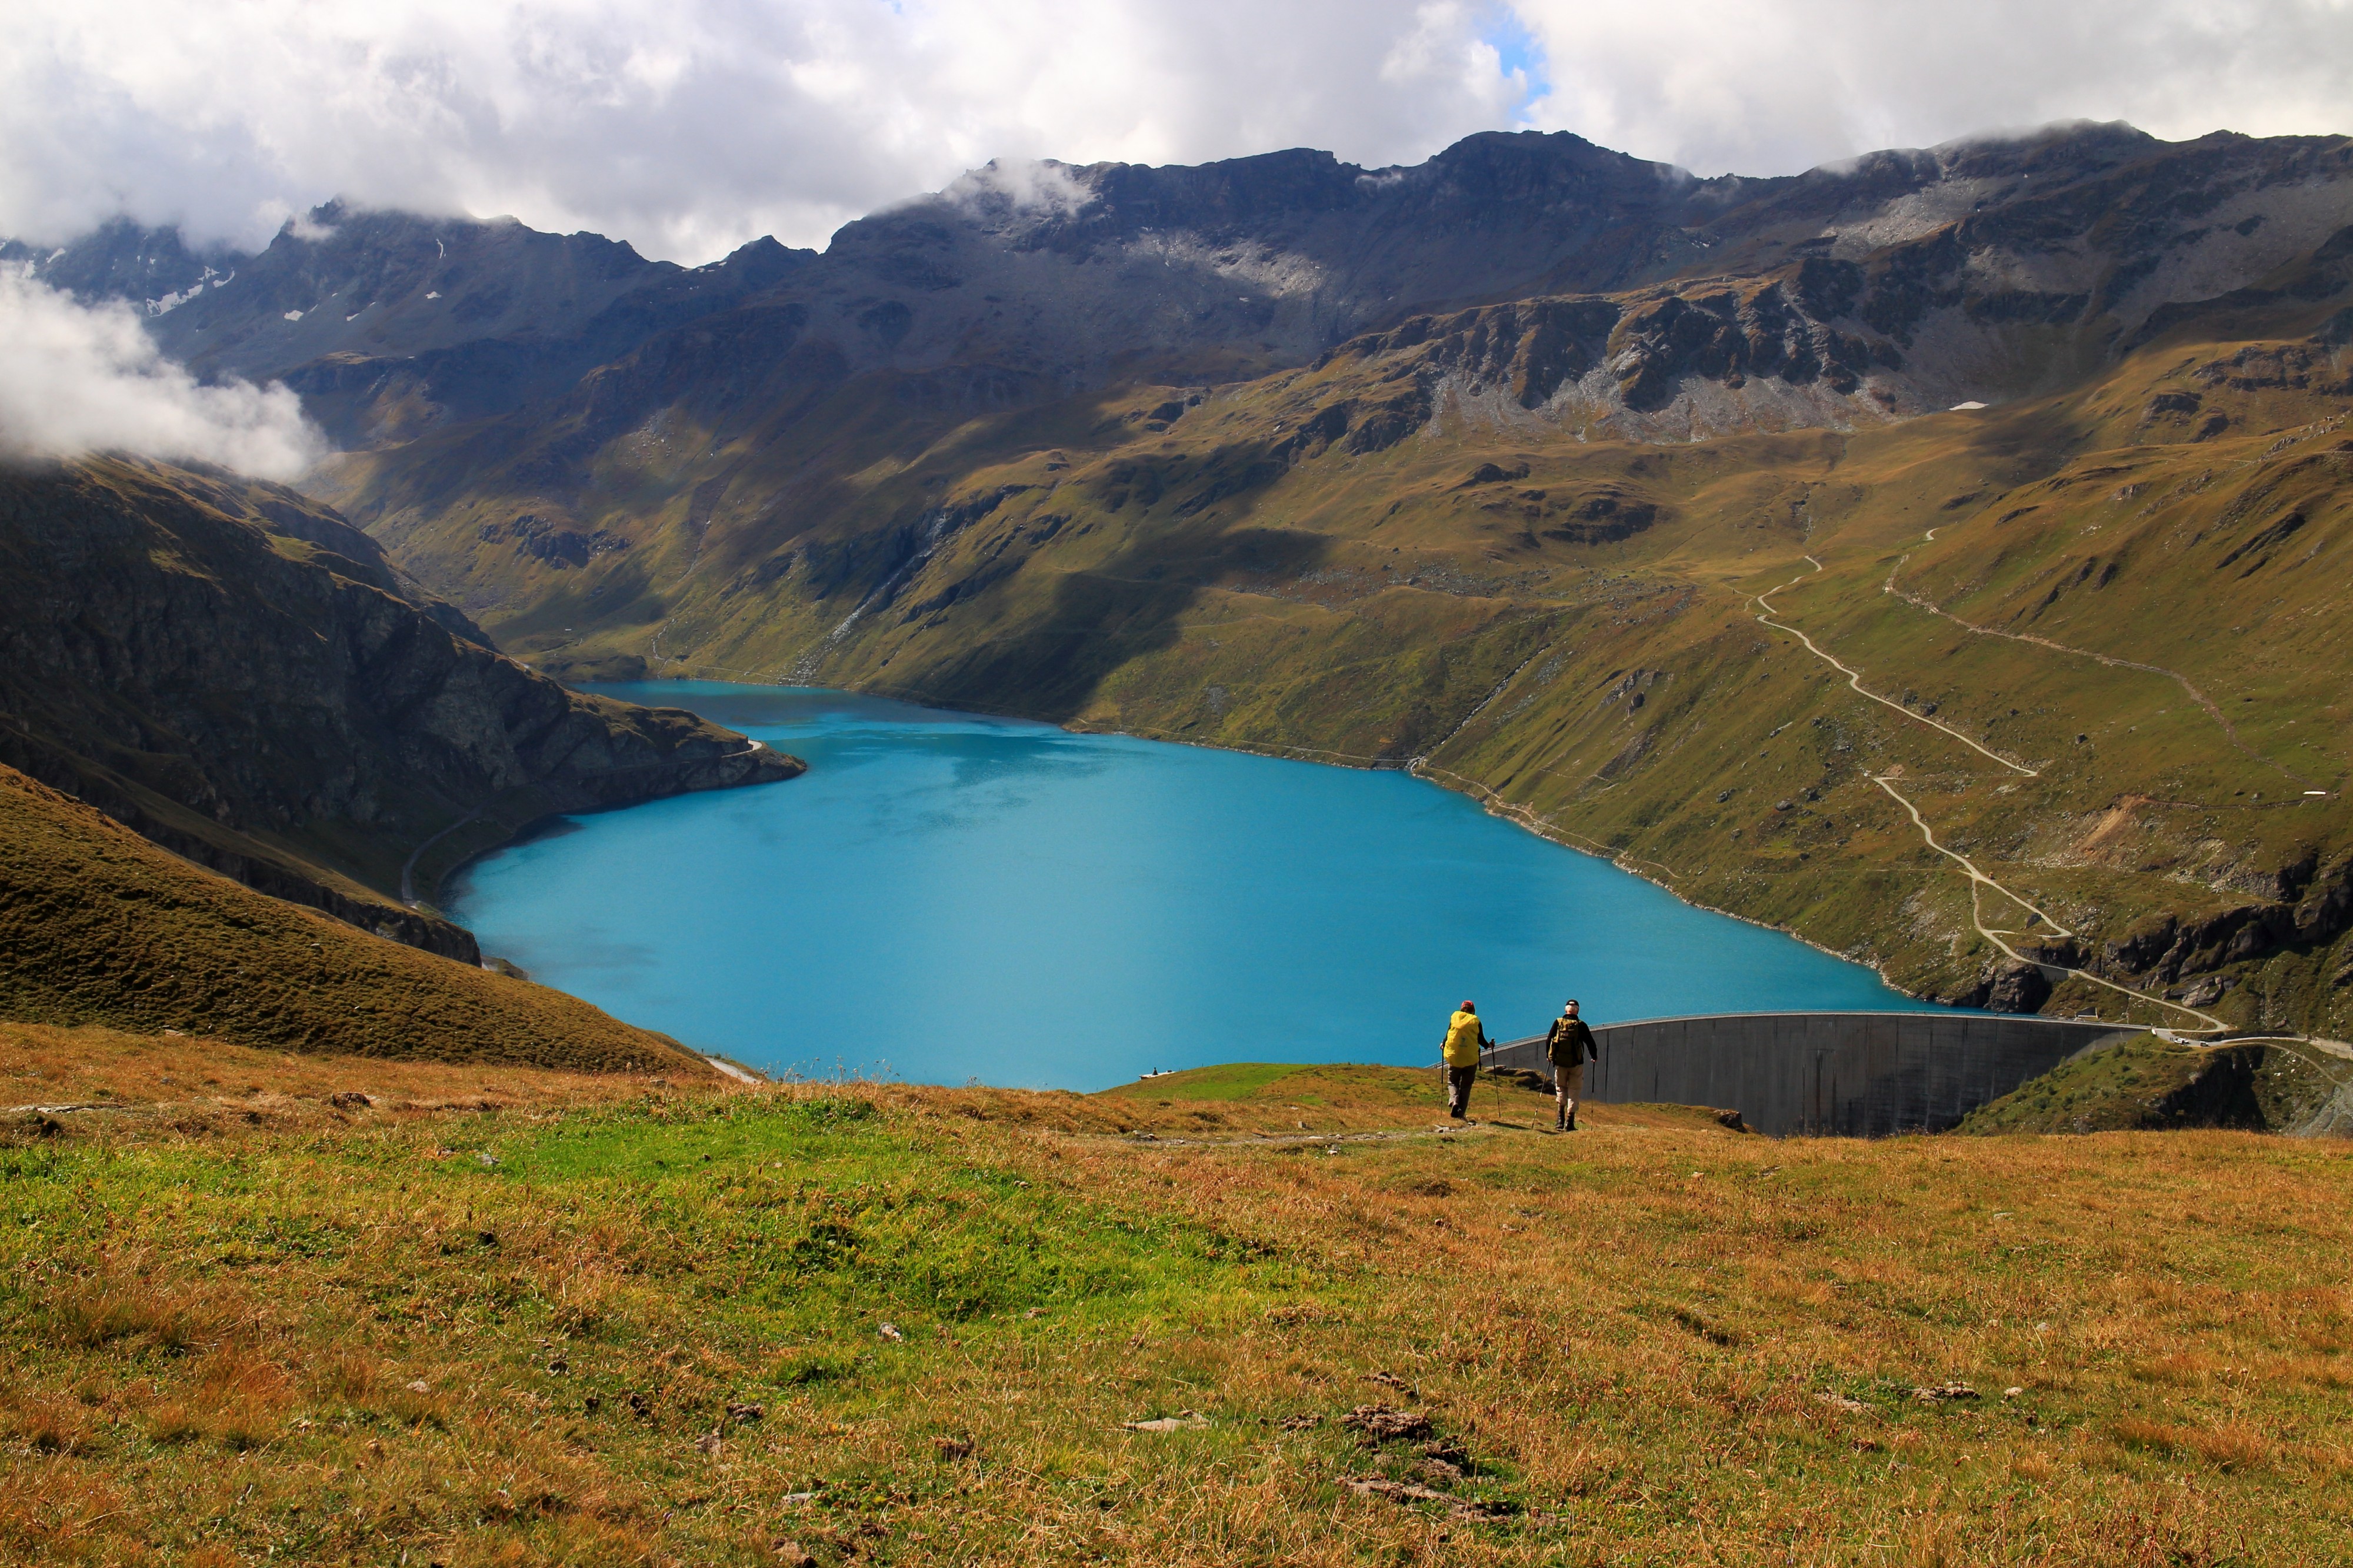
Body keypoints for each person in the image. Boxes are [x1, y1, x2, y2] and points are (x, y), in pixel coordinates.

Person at [1544, 998, 1598, 1131]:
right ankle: (1570, 1122)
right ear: (1577, 1011)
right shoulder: (1581, 1025)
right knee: (1574, 1091)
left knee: (1561, 1088)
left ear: (1565, 1009)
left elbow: (1549, 1040)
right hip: (1576, 1064)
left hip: (1560, 1064)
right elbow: (1590, 1042)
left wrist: (1549, 1056)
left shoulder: (1558, 1023)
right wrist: (1594, 1056)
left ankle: (1560, 1120)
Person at [1441, 1000, 1491, 1120]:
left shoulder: (1455, 1017)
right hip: (1470, 1059)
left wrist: (1443, 1044)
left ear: (1462, 1008)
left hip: (1455, 1056)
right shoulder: (1475, 1021)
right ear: (1473, 1010)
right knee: (1466, 1086)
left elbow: (1449, 1034)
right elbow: (1482, 1040)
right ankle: (1461, 1113)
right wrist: (1490, 1046)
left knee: (1453, 1082)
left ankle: (1454, 1101)